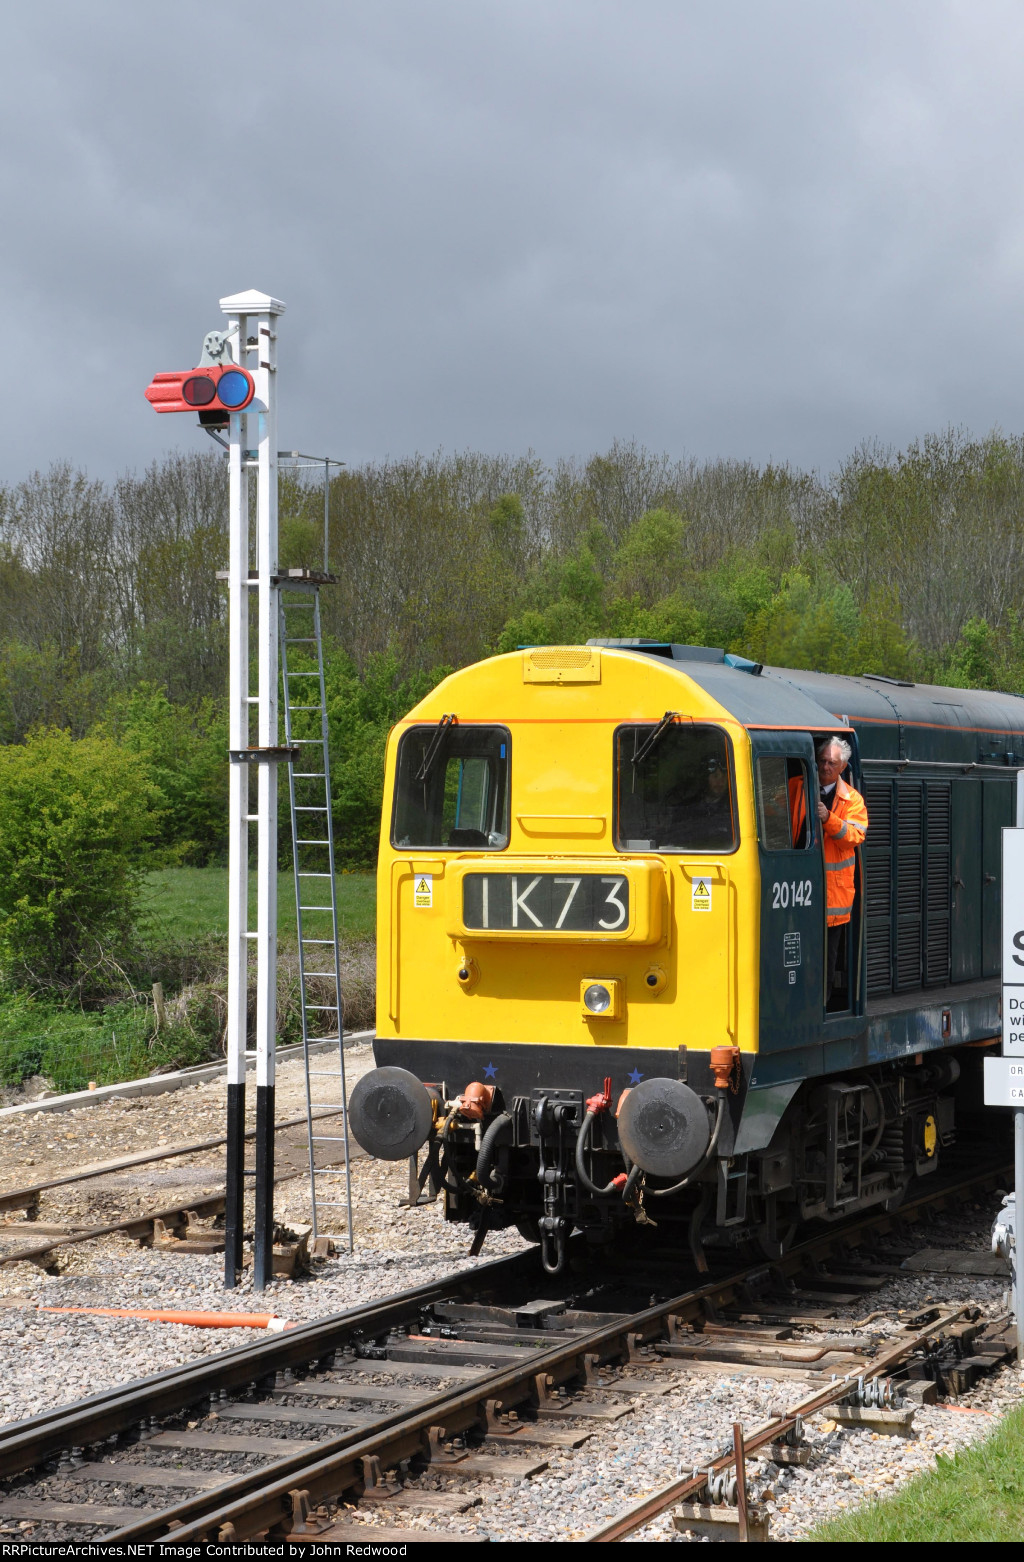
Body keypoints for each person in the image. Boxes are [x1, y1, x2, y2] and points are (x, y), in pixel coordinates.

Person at [816, 736, 868, 1006]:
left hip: (833, 900)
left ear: (843, 766)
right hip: (801, 892)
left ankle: (822, 1004)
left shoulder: (852, 800)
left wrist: (828, 818)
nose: (825, 767)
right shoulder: (795, 787)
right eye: (822, 761)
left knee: (826, 958)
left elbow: (855, 836)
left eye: (831, 763)